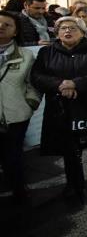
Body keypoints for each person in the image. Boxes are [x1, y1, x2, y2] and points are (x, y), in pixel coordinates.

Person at [31, 17, 87, 202]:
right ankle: (74, 182)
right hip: (61, 107)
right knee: (68, 146)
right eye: (63, 28)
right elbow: (37, 76)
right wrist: (60, 85)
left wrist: (75, 84)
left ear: (83, 32)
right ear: (57, 33)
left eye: (73, 28)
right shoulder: (47, 52)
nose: (67, 31)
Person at [0, 11, 42, 203]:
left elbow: (33, 84)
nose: (1, 27)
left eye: (7, 25)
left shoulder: (26, 55)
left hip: (15, 115)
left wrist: (30, 104)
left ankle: (18, 187)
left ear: (16, 31)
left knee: (13, 154)